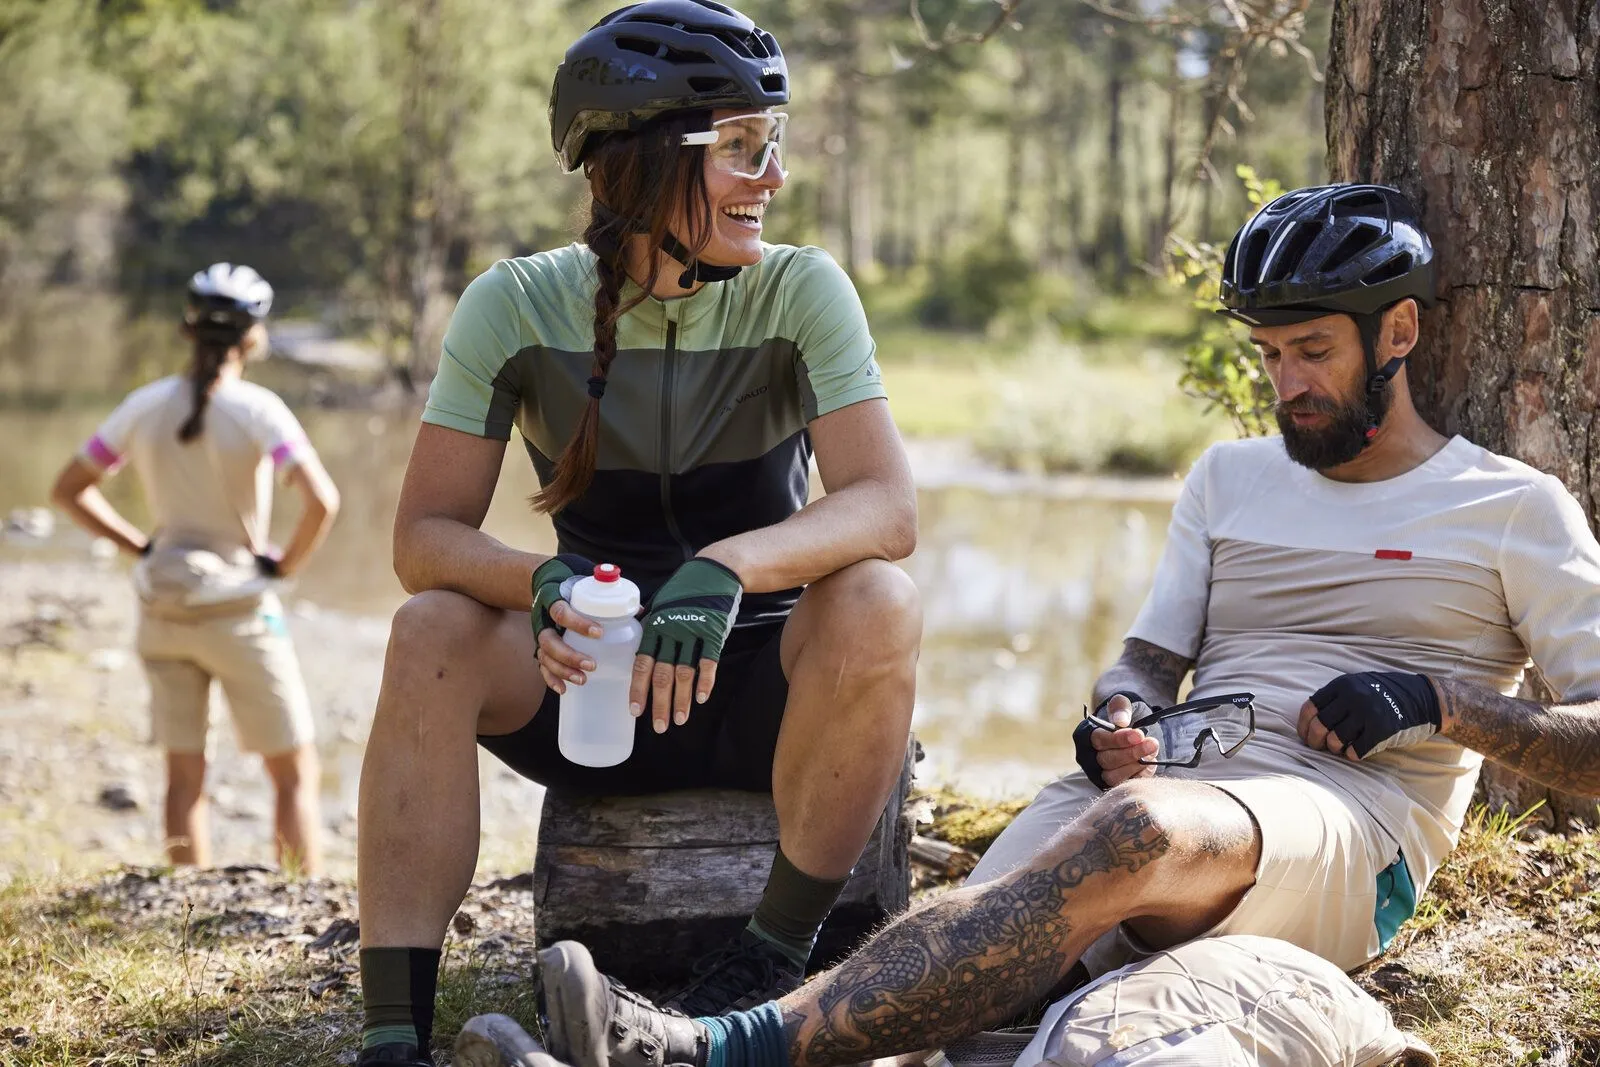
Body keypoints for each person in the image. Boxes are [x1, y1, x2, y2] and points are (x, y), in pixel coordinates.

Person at [514, 182, 1600, 1067]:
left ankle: (703, 1048)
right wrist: (1118, 714)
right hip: (1173, 787)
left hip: (1350, 827)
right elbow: (1148, 660)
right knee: (961, 958)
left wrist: (1437, 701)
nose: (1288, 384)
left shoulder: (1510, 507)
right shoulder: (1229, 479)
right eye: (1270, 355)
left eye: (1313, 350)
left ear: (1398, 331)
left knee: (1138, 835)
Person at [353, 2, 921, 1063]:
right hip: (587, 688)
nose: (772, 176)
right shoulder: (513, 305)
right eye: (741, 147)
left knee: (879, 597)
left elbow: (887, 508)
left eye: (772, 142)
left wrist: (728, 566)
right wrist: (542, 584)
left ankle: (770, 959)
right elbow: (423, 537)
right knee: (428, 627)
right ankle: (392, 1033)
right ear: (645, 162)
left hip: (764, 694)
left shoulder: (801, 289)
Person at [51, 262, 341, 876]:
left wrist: (141, 547)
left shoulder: (142, 406)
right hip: (239, 613)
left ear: (187, 328)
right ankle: (300, 894)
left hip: (163, 610)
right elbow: (322, 502)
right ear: (253, 337)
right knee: (293, 771)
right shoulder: (260, 410)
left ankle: (183, 899)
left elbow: (70, 489)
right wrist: (282, 566)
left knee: (184, 778)